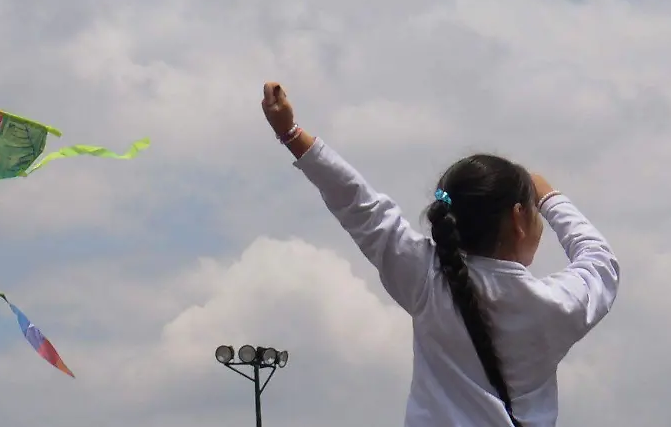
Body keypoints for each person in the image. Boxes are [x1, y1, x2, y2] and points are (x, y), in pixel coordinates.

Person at [260, 82, 619, 427]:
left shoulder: (427, 279)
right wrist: (551, 198)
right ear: (517, 219)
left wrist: (291, 132)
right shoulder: (555, 305)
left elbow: (359, 204)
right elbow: (600, 261)